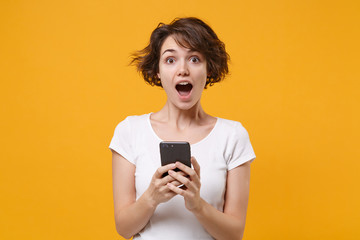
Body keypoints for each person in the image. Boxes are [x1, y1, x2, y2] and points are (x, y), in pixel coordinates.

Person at [109, 17, 256, 240]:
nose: (183, 69)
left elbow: (235, 234)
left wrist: (197, 204)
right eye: (170, 60)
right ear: (157, 71)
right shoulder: (129, 131)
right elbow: (124, 228)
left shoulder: (233, 135)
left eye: (195, 59)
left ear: (209, 69)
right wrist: (152, 196)